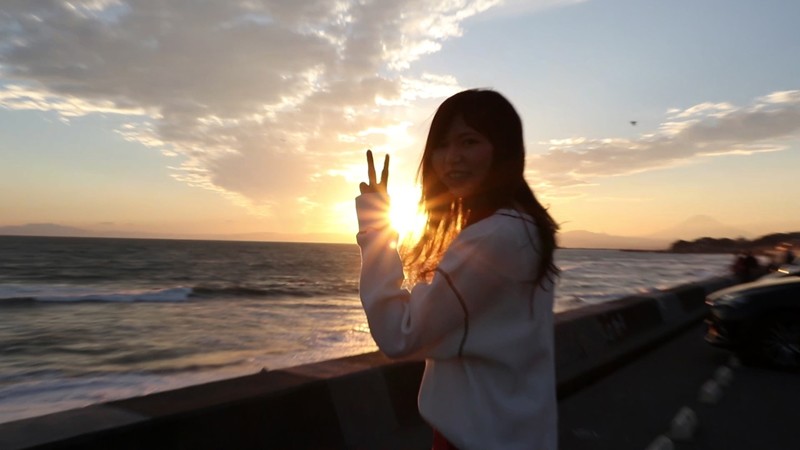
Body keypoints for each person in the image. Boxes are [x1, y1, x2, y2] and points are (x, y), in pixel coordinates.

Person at [355, 89, 559, 450]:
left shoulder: (492, 237)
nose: (452, 158)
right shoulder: (524, 227)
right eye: (442, 145)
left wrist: (375, 227)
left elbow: (399, 335)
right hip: (514, 430)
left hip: (478, 438)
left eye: (469, 142)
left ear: (503, 149)